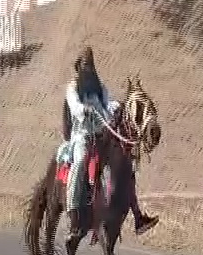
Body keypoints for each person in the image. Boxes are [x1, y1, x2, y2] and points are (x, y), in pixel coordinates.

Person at [63, 46, 159, 240]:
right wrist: (84, 110)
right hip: (81, 135)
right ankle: (74, 212)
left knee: (124, 164)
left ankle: (138, 216)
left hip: (102, 133)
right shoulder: (73, 87)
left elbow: (109, 102)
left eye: (91, 65)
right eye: (85, 65)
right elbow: (74, 106)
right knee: (81, 160)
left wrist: (116, 107)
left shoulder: (99, 87)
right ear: (79, 67)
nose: (89, 69)